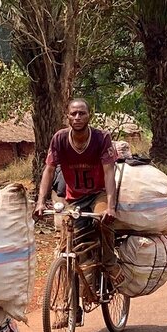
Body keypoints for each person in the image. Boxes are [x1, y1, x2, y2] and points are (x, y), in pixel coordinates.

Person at [33, 98, 118, 279]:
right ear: (68, 117)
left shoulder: (101, 138)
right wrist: (40, 202)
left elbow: (109, 172)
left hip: (98, 194)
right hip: (74, 198)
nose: (77, 117)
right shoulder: (60, 139)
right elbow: (48, 170)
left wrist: (111, 206)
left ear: (89, 115)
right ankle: (75, 294)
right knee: (69, 243)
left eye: (82, 113)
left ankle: (110, 262)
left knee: (102, 221)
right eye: (73, 113)